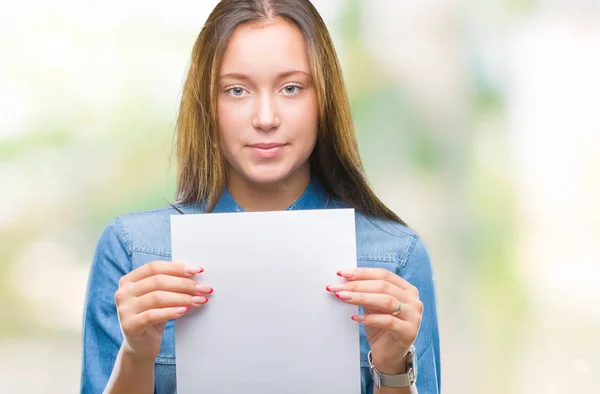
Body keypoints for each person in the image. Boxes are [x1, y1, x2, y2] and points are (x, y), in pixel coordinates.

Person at [80, 0, 441, 393]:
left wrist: (391, 367)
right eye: (236, 90)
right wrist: (136, 355)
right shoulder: (134, 252)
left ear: (323, 100)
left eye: (291, 88)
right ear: (208, 103)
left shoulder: (395, 257)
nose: (265, 118)